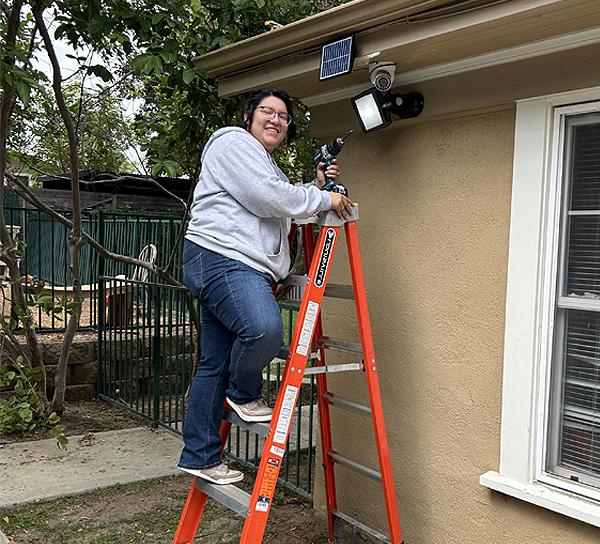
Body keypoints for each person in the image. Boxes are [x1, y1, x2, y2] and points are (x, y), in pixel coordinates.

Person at [177, 89, 354, 485]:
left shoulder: (266, 166)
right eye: (267, 112)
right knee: (264, 328)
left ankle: (200, 455)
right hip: (224, 259)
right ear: (248, 116)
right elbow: (269, 199)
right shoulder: (233, 142)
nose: (275, 119)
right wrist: (322, 195)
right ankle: (243, 393)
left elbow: (283, 210)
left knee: (213, 364)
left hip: (229, 263)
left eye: (283, 116)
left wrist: (314, 188)